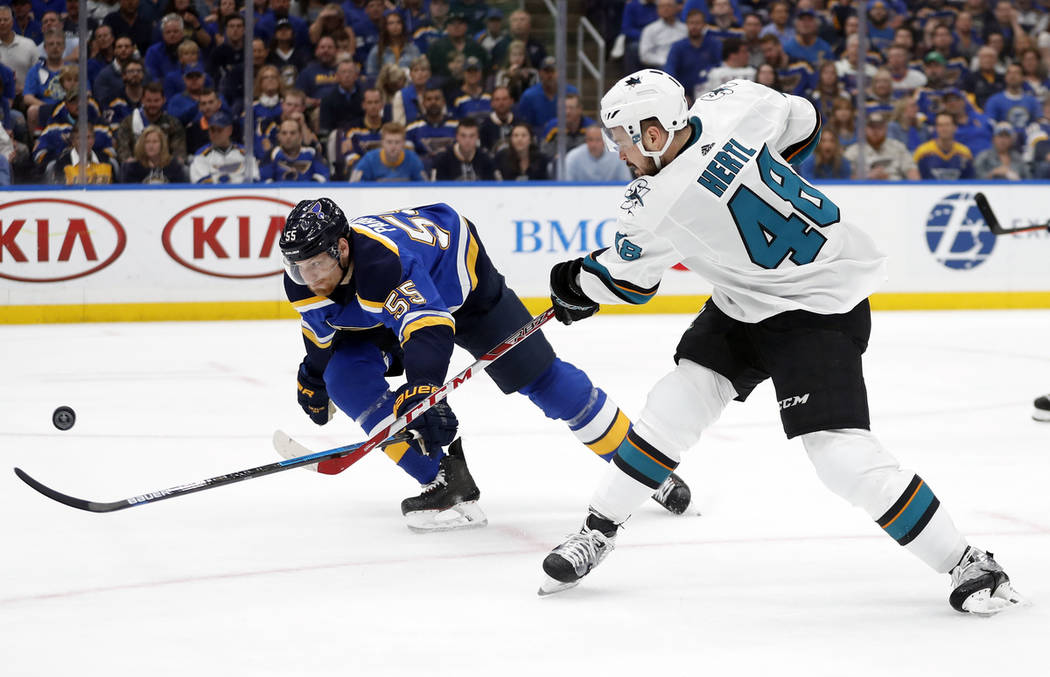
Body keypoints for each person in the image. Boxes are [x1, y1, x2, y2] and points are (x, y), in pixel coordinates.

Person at [537, 70, 1023, 617]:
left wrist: (572, 280)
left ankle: (967, 560)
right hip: (749, 298)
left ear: (654, 133)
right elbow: (804, 122)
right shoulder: (735, 103)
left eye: (623, 138)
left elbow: (629, 282)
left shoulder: (654, 204)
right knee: (676, 402)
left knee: (840, 456)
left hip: (818, 307)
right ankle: (597, 531)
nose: (617, 151)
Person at [277, 197, 692, 532]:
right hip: (390, 312)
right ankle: (445, 477)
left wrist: (423, 388)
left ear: (342, 248)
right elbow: (321, 332)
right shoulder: (304, 280)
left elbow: (428, 329)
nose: (309, 277)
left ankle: (643, 464)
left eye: (317, 264)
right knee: (343, 377)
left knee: (544, 380)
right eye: (299, 266)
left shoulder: (383, 266)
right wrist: (313, 378)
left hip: (466, 290)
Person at [189, 110, 259, 183]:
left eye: (219, 130)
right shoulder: (201, 156)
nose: (215, 134)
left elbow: (254, 180)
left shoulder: (245, 154)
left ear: (230, 130)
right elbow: (202, 183)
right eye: (212, 130)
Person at [349, 120, 426, 182]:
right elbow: (354, 186)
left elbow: (424, 187)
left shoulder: (413, 159)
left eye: (397, 142)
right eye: (389, 142)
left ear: (403, 143)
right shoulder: (369, 159)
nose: (393, 146)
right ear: (382, 142)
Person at [261, 118, 330, 182]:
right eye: (284, 133)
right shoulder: (272, 154)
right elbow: (265, 180)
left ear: (300, 136)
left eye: (292, 133)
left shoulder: (311, 153)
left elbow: (323, 176)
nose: (288, 137)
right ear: (279, 136)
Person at [430, 116, 497, 181]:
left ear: (478, 137)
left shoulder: (486, 159)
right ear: (457, 136)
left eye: (472, 136)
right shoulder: (442, 160)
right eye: (463, 136)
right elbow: (436, 188)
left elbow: (494, 188)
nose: (467, 140)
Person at [914, 112, 976, 180]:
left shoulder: (964, 153)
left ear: (955, 127)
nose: (944, 129)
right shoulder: (923, 152)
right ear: (936, 128)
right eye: (940, 125)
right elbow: (917, 181)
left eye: (947, 125)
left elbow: (969, 182)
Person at [120, 122, 188, 183]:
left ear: (162, 144)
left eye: (155, 142)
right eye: (147, 142)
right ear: (142, 144)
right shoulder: (133, 167)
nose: (151, 146)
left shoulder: (174, 166)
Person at [563, 125, 633, 182]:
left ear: (604, 141)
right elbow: (568, 186)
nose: (594, 144)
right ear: (586, 140)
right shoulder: (573, 157)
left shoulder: (618, 156)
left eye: (598, 140)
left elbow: (625, 182)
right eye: (590, 139)